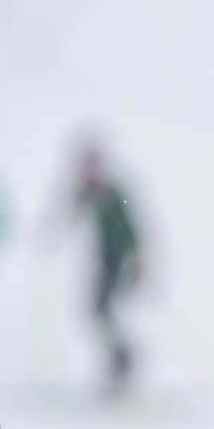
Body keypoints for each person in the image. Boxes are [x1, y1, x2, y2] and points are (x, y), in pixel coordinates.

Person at [71, 142, 143, 391]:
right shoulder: (92, 191)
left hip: (116, 259)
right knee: (98, 310)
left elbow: (131, 229)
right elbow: (73, 205)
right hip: (105, 259)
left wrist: (136, 260)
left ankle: (123, 358)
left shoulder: (111, 193)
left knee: (99, 308)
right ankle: (120, 358)